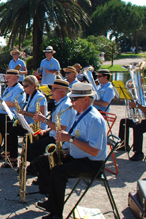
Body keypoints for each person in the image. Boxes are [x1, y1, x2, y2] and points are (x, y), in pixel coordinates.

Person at [35, 83, 107, 219]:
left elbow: (94, 151)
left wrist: (70, 139)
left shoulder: (94, 119)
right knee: (44, 161)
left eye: (74, 100)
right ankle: (51, 200)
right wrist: (67, 150)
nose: (71, 102)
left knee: (58, 172)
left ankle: (56, 214)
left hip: (92, 163)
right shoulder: (80, 114)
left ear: (86, 99)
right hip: (80, 157)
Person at [27, 79, 76, 164]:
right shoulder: (60, 102)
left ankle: (36, 168)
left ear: (63, 91)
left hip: (61, 140)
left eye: (54, 89)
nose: (51, 91)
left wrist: (43, 120)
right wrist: (46, 131)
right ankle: (34, 165)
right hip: (54, 134)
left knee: (34, 146)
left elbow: (61, 128)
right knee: (31, 138)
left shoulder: (66, 105)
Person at [2, 75, 47, 168]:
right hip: (29, 124)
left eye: (26, 86)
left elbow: (42, 115)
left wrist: (25, 113)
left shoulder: (40, 97)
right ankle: (9, 154)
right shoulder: (30, 96)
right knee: (9, 127)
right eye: (23, 85)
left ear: (33, 85)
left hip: (37, 127)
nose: (23, 87)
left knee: (13, 131)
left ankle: (14, 159)